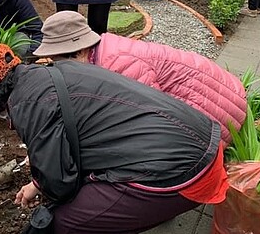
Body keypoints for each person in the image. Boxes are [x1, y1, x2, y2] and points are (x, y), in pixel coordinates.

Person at [0, 44, 228, 234]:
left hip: (182, 173)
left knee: (70, 224)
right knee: (93, 196)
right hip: (201, 141)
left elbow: (60, 184)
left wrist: (43, 185)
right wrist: (37, 183)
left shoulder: (26, 103)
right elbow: (80, 140)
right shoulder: (54, 72)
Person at [32, 10, 247, 146]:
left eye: (58, 60)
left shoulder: (119, 65)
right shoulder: (104, 51)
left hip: (220, 116)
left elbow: (151, 120)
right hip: (221, 96)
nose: (57, 66)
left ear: (78, 51)